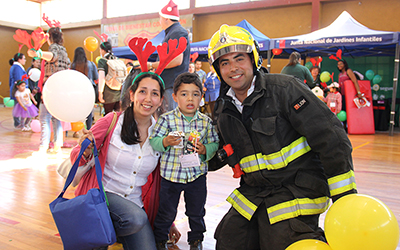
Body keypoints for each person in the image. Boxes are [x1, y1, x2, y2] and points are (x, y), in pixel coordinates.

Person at [207, 24, 357, 250]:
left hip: (298, 189)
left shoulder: (285, 90)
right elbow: (223, 152)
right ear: (218, 69)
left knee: (280, 240)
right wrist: (197, 153)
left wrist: (345, 199)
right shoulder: (223, 109)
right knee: (229, 240)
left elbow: (331, 138)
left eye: (239, 59)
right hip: (255, 191)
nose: (233, 68)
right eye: (224, 62)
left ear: (253, 59)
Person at [71, 72, 181, 250]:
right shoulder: (112, 122)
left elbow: (162, 185)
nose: (148, 99)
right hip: (102, 197)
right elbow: (77, 156)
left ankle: (105, 230)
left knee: (139, 227)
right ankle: (98, 229)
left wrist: (169, 222)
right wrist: (87, 150)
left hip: (135, 207)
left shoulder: (161, 135)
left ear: (161, 100)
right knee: (134, 219)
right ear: (132, 95)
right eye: (143, 91)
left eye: (154, 94)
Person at [150, 72, 219, 250]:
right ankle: (160, 239)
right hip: (170, 177)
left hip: (196, 177)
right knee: (166, 212)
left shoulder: (206, 122)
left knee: (196, 213)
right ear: (174, 97)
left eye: (195, 94)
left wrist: (205, 150)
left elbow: (214, 143)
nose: (190, 99)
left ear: (201, 98)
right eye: (184, 94)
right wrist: (165, 141)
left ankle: (196, 240)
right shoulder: (166, 119)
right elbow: (153, 141)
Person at [27, 26, 71, 154]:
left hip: (51, 87)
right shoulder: (64, 50)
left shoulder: (54, 48)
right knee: (56, 117)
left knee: (44, 117)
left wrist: (38, 54)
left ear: (50, 37)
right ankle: (57, 144)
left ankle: (43, 147)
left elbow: (52, 56)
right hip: (60, 87)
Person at [145, 0, 190, 112]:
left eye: (160, 18)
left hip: (171, 84)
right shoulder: (173, 32)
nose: (159, 21)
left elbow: (177, 60)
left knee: (170, 120)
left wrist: (151, 64)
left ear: (166, 18)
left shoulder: (177, 32)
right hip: (170, 84)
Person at [70, 46, 99, 129]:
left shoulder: (73, 65)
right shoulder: (91, 64)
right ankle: (89, 129)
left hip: (77, 91)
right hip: (89, 91)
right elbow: (96, 78)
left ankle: (75, 130)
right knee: (89, 111)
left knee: (75, 110)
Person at [98, 41, 122, 115]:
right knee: (118, 117)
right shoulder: (117, 60)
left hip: (108, 94)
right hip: (118, 93)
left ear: (102, 50)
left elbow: (102, 78)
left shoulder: (102, 61)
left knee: (108, 117)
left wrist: (100, 93)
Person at [9, 53, 27, 128]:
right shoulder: (17, 68)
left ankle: (18, 122)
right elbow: (19, 80)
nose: (25, 60)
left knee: (18, 106)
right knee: (18, 106)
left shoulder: (16, 67)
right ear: (19, 59)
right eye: (24, 58)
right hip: (18, 91)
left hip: (17, 90)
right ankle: (17, 123)